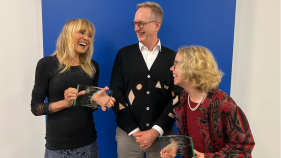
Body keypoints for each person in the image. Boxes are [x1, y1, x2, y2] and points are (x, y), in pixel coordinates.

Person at [30, 18, 115, 158]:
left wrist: (96, 101)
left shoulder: (92, 67)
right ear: (68, 34)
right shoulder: (46, 65)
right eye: (81, 32)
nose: (86, 38)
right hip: (57, 146)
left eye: (90, 35)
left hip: (88, 143)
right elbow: (36, 108)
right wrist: (64, 103)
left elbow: (89, 106)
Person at [110, 2, 181, 158]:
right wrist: (135, 131)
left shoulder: (173, 58)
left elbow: (177, 98)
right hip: (128, 138)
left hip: (162, 138)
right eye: (135, 23)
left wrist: (155, 131)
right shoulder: (124, 55)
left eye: (141, 23)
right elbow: (116, 93)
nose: (136, 27)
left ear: (157, 25)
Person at [161, 46, 255, 158]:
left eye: (176, 63)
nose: (172, 68)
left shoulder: (223, 103)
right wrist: (175, 144)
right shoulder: (184, 98)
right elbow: (186, 136)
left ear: (192, 67)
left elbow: (243, 146)